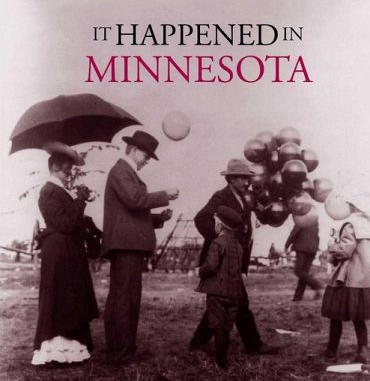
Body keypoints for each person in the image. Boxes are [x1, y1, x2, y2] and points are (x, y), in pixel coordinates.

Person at [102, 130, 179, 365]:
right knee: (125, 298)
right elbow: (135, 200)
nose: (146, 161)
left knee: (124, 297)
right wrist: (165, 195)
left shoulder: (124, 172)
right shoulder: (121, 171)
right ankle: (121, 353)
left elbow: (131, 212)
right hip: (127, 246)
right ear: (134, 150)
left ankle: (122, 349)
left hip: (127, 244)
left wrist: (158, 218)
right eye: (146, 156)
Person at [190, 158, 278, 355]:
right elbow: (201, 218)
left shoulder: (245, 198)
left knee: (222, 302)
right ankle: (254, 345)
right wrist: (220, 240)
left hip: (233, 261)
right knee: (238, 302)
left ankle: (197, 343)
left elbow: (255, 220)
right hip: (220, 261)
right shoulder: (221, 196)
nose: (247, 182)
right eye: (242, 178)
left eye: (248, 178)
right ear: (230, 179)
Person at [32, 143, 99, 366]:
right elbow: (65, 224)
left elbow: (72, 222)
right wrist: (80, 201)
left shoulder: (59, 190)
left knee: (69, 297)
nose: (70, 173)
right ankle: (55, 352)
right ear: (55, 167)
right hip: (59, 252)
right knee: (61, 297)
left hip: (67, 250)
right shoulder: (49, 191)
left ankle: (70, 350)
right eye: (67, 168)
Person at [321, 192, 370, 363]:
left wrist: (332, 245)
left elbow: (345, 251)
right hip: (369, 276)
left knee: (336, 314)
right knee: (359, 316)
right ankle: (362, 351)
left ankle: (331, 351)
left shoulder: (350, 223)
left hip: (350, 276)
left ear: (352, 205)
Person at [194, 206, 244, 368]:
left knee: (218, 325)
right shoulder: (238, 245)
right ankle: (203, 348)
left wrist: (199, 271)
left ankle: (221, 362)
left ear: (220, 225)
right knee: (226, 325)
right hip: (234, 293)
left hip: (217, 292)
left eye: (215, 222)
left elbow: (211, 266)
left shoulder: (217, 243)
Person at [284, 220, 322, 301]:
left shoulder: (302, 219)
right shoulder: (315, 222)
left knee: (298, 271)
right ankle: (297, 297)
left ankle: (316, 285)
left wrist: (286, 245)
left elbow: (294, 233)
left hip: (302, 248)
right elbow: (317, 236)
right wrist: (316, 247)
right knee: (304, 273)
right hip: (312, 249)